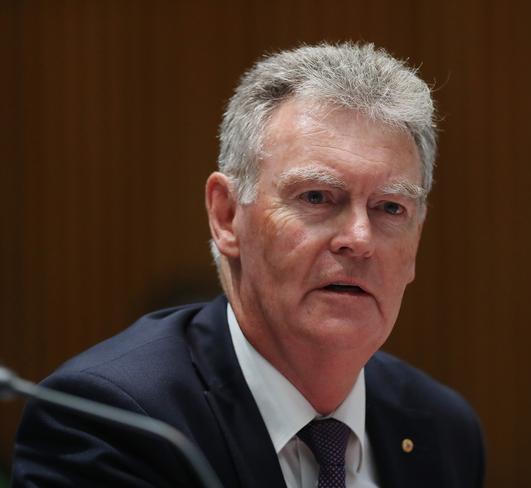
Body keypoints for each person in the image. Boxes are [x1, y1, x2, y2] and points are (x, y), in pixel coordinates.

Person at [12, 43, 484, 487]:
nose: (359, 240)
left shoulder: (440, 427)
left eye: (390, 208)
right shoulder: (113, 421)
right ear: (226, 216)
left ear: (416, 239)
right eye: (317, 197)